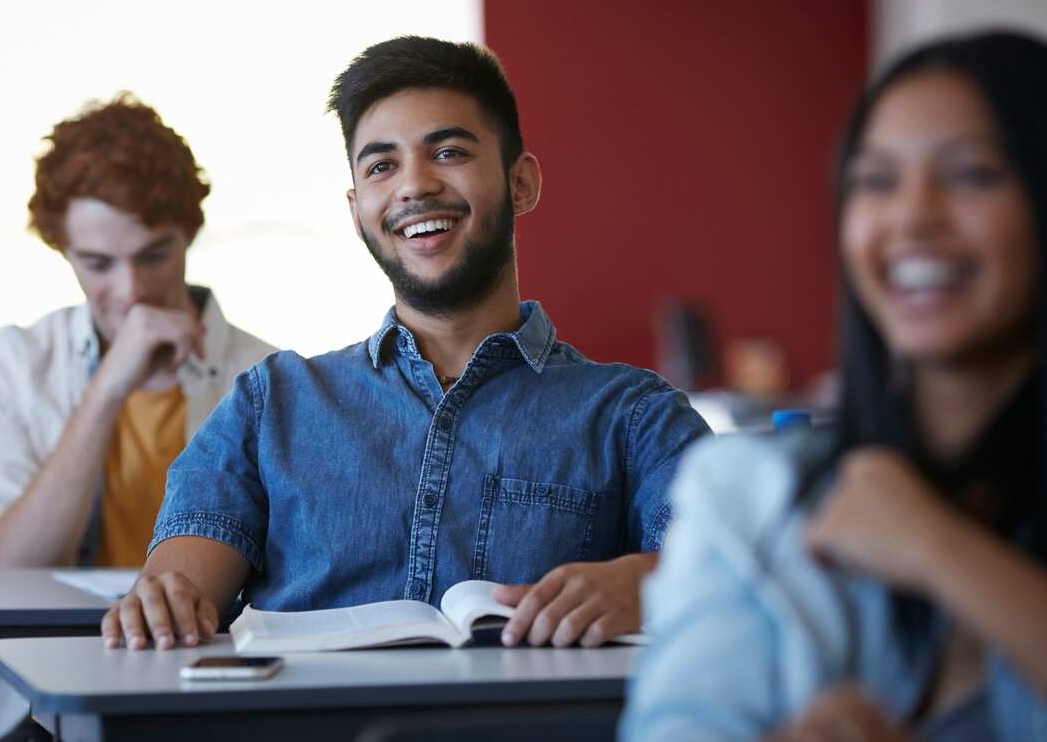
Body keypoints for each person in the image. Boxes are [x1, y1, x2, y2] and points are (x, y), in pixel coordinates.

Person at [101, 36, 710, 653]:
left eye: (447, 152)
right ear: (358, 208)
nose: (414, 186)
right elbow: (178, 589)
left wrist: (648, 582)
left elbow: (737, 567)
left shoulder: (634, 414)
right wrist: (161, 599)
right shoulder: (271, 403)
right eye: (381, 166)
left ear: (521, 182)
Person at [623, 30, 1047, 740]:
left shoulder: (912, 527)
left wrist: (936, 548)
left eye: (972, 174)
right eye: (877, 181)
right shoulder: (750, 498)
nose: (913, 217)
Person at [0, 94, 276, 741]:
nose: (129, 290)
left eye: (153, 254)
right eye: (97, 264)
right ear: (61, 249)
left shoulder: (269, 377)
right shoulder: (8, 368)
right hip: (34, 701)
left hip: (213, 695)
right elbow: (1, 575)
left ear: (189, 234)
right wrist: (107, 388)